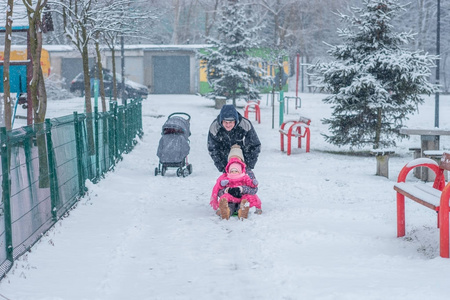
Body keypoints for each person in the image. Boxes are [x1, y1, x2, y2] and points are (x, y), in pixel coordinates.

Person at [207, 104, 261, 174]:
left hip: (242, 156)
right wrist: (223, 167)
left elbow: (255, 145)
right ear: (221, 121)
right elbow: (213, 149)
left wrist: (248, 165)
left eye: (230, 122)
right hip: (224, 155)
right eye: (225, 122)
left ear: (235, 121)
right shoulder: (215, 128)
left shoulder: (245, 125)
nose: (228, 125)